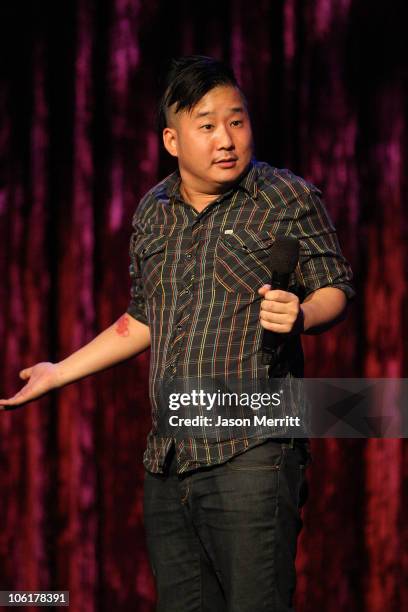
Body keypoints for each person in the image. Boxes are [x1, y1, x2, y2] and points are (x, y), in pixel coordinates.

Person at [0, 56, 354, 611]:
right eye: (207, 124)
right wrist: (58, 372)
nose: (226, 139)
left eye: (236, 121)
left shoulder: (284, 196)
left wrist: (303, 312)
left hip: (252, 451)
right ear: (172, 139)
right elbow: (142, 317)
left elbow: (334, 286)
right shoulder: (153, 212)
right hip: (168, 461)